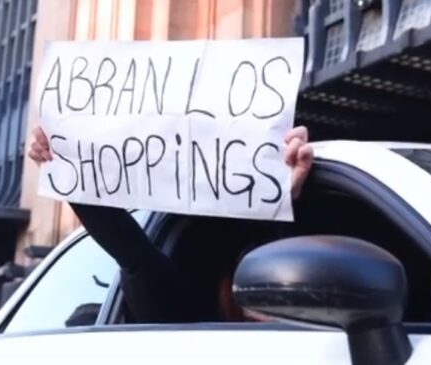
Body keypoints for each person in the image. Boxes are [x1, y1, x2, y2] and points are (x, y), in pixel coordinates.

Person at [28, 125, 315, 324]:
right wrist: (66, 166)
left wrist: (285, 192)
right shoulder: (187, 319)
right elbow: (133, 253)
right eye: (251, 279)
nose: (268, 292)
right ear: (225, 284)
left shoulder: (326, 338)